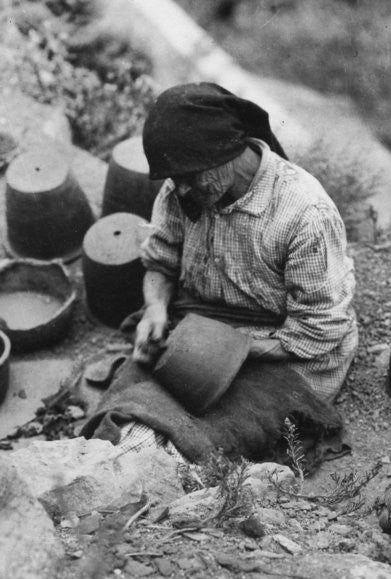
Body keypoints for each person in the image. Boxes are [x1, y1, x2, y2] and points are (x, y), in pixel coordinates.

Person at [133, 81, 358, 404]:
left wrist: (229, 348)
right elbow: (160, 261)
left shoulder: (305, 215)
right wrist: (155, 308)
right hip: (200, 322)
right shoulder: (184, 189)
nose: (180, 190)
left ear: (224, 152)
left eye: (189, 177)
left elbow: (318, 329)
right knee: (137, 402)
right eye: (174, 179)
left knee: (238, 419)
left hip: (282, 344)